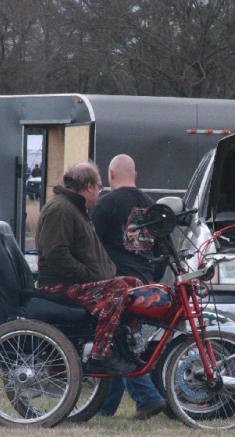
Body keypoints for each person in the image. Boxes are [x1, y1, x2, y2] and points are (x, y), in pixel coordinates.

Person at [35, 161, 141, 375]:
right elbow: (56, 254)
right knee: (118, 289)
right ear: (90, 186)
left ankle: (122, 346)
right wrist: (89, 278)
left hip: (76, 285)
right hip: (59, 288)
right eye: (100, 187)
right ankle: (100, 355)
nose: (100, 192)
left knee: (134, 286)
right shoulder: (61, 209)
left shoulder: (75, 208)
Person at [89, 154, 168, 420]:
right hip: (145, 285)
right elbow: (161, 252)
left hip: (118, 286)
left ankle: (148, 398)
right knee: (120, 342)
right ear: (135, 175)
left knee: (118, 345)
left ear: (110, 176)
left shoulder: (105, 204)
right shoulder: (152, 206)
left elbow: (92, 247)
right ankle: (105, 408)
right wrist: (151, 280)